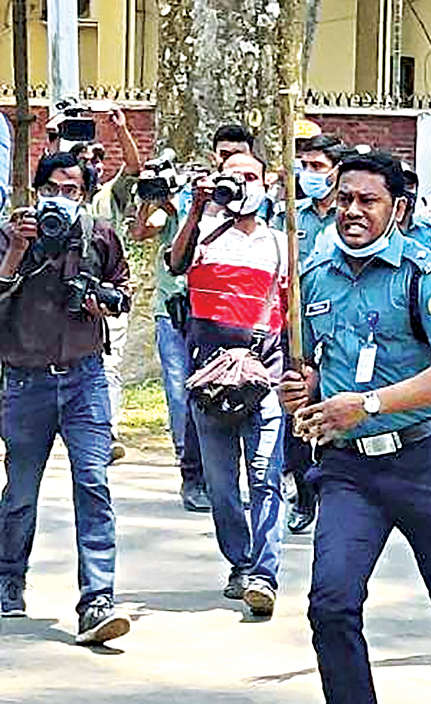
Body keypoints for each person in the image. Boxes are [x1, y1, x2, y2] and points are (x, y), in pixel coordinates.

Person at [278, 149, 431, 704]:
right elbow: (310, 370)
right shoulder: (313, 280)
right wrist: (301, 390)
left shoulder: (425, 276)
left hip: (422, 461)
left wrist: (368, 404)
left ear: (396, 209)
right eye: (344, 198)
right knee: (331, 604)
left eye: (368, 200)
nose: (352, 210)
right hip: (348, 470)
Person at [0, 152, 132, 644]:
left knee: (93, 486)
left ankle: (97, 601)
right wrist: (17, 249)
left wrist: (106, 302)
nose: (60, 199)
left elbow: (122, 290)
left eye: (72, 191)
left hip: (84, 379)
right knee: (20, 493)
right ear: (37, 192)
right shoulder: (11, 235)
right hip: (25, 382)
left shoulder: (99, 236)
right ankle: (8, 579)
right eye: (52, 189)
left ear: (85, 195)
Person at [168, 152, 287, 617]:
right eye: (232, 177)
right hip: (210, 381)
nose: (241, 184)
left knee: (265, 477)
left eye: (250, 177)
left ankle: (264, 573)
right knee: (221, 485)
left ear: (267, 184)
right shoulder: (203, 236)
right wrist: (198, 207)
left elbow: (294, 309)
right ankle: (240, 563)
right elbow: (175, 263)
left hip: (265, 377)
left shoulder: (281, 243)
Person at [273, 133, 352, 535]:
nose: (309, 174)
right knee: (299, 409)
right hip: (296, 326)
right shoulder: (290, 216)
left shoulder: (350, 216)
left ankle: (340, 489)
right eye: (304, 167)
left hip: (343, 324)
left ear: (338, 170)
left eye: (318, 167)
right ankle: (304, 495)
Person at [128, 157, 209, 513]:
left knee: (208, 389)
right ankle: (185, 460)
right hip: (169, 310)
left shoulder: (211, 208)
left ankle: (212, 467)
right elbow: (139, 232)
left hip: (205, 310)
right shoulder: (165, 212)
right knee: (178, 389)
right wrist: (150, 197)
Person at [76, 107, 142, 463]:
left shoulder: (107, 196)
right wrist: (54, 136)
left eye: (97, 159)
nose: (92, 164)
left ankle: (107, 432)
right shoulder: (54, 199)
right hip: (58, 295)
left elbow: (133, 168)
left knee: (109, 364)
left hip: (105, 291)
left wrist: (121, 130)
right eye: (85, 158)